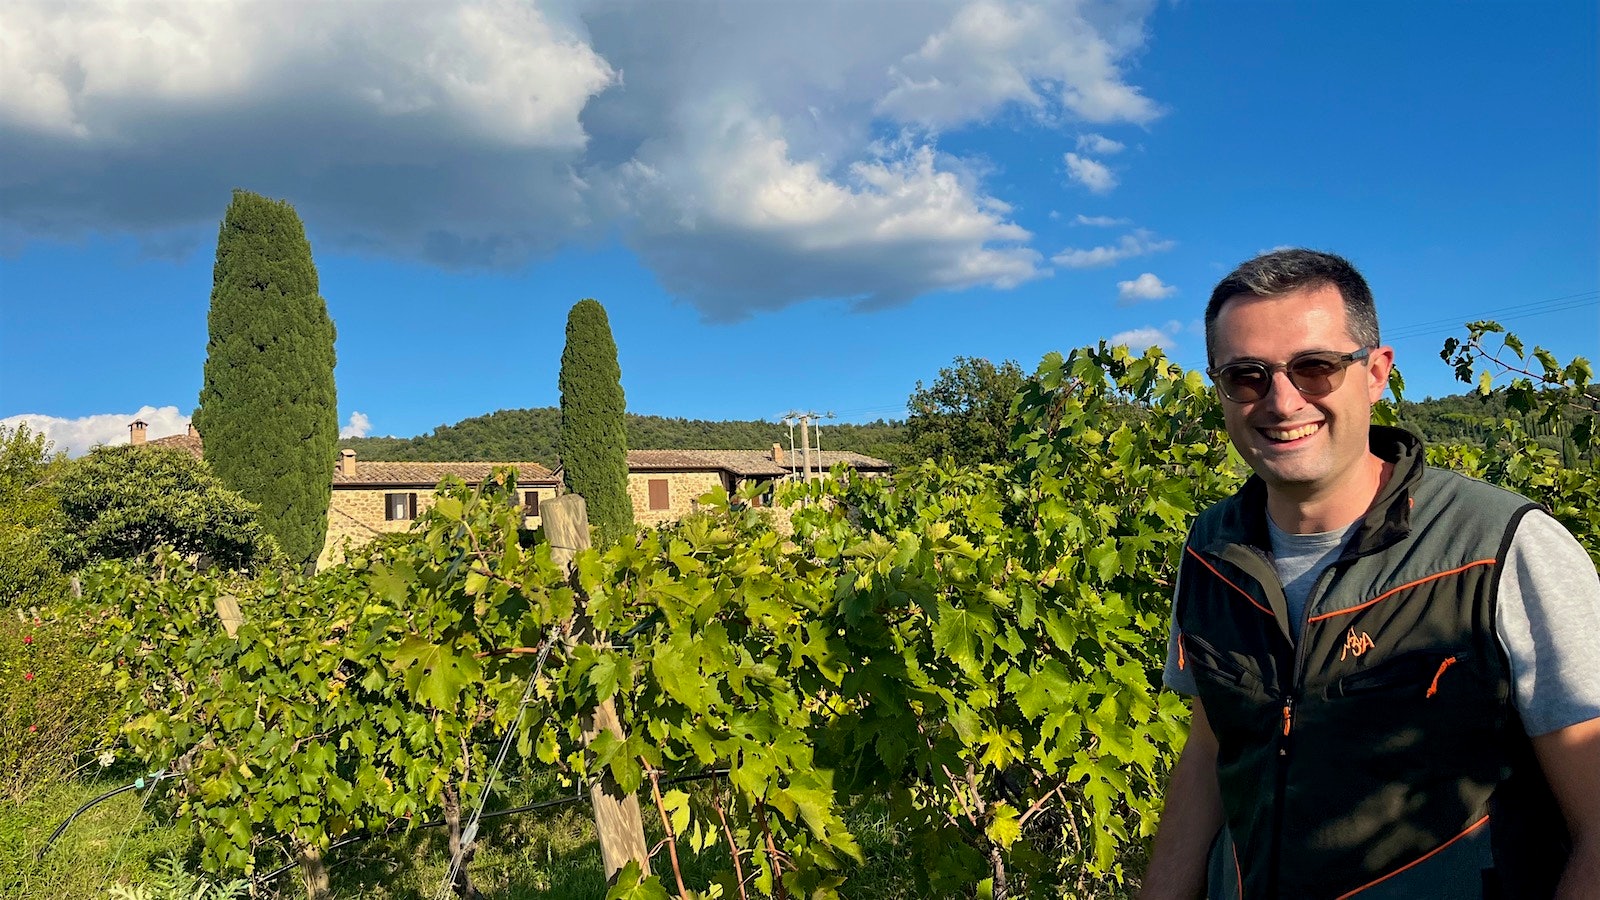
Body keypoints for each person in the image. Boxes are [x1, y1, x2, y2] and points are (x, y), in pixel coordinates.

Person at [1138, 249, 1600, 899]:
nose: (1282, 401)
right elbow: (1210, 751)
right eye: (1247, 376)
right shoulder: (1212, 551)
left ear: (1376, 372)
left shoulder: (1500, 550)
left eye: (1315, 367)